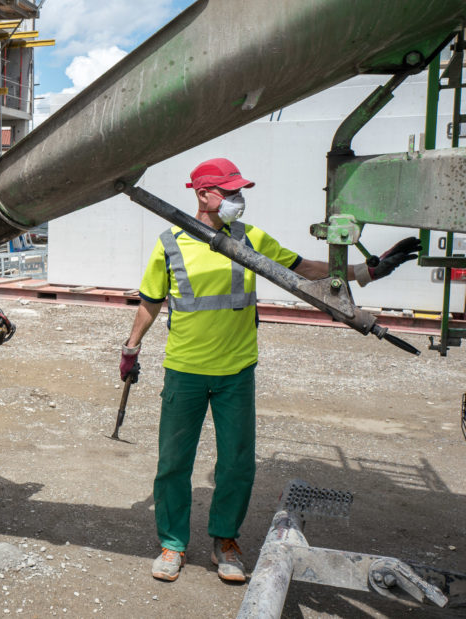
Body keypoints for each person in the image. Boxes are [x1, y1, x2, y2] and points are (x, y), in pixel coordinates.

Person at [119, 158, 420, 583]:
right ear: (203, 194)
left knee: (238, 464)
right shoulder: (169, 242)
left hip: (237, 371)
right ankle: (172, 544)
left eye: (240, 192)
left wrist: (363, 272)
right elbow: (151, 300)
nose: (238, 200)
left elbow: (302, 269)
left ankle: (225, 541)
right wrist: (130, 348)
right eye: (229, 192)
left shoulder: (250, 237)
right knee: (173, 462)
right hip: (184, 371)